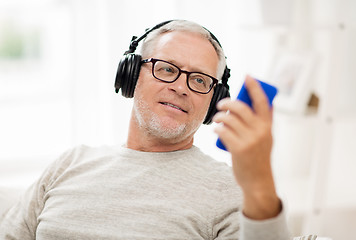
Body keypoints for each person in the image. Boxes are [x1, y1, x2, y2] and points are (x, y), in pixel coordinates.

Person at [0, 20, 291, 239]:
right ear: (131, 74)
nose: (180, 88)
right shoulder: (70, 163)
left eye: (200, 80)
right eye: (166, 69)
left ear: (214, 101)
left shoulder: (232, 191)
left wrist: (259, 184)